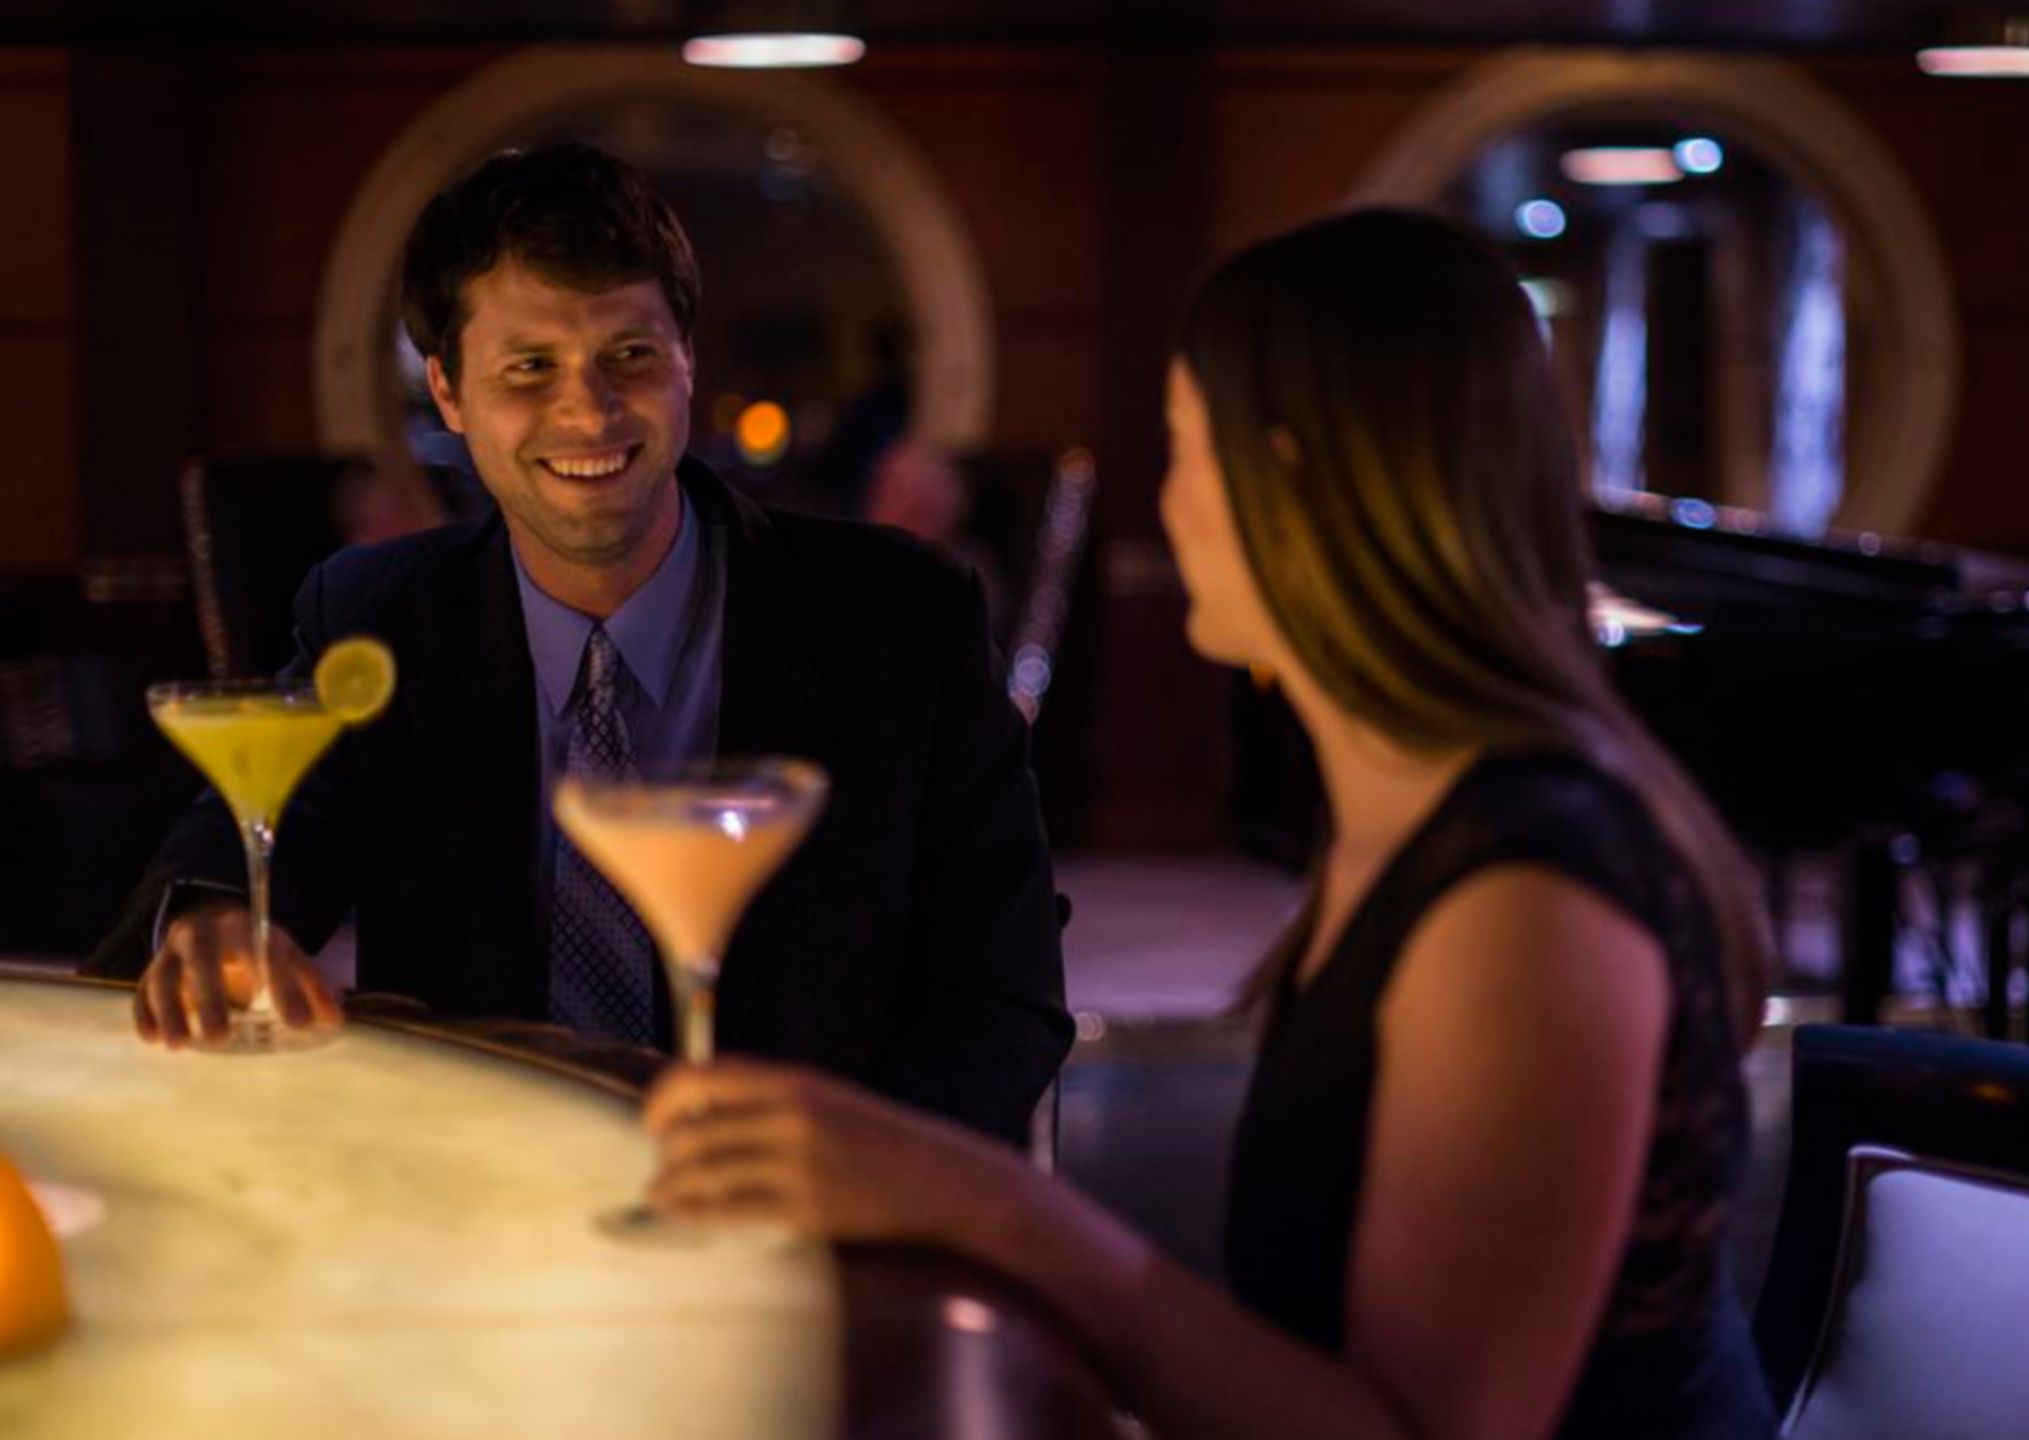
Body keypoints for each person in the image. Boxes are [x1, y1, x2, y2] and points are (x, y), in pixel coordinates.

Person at [638, 209, 1780, 1439]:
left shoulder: (1530, 903)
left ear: (1284, 481)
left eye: (1182, 449)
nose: (1168, 506)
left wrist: (992, 1207)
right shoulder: (1416, 821)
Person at [86, 143, 1070, 1145]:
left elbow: (1005, 998)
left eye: (630, 356)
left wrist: (841, 1176)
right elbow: (249, 830)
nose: (588, 409)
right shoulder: (379, 618)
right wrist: (211, 925)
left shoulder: (900, 617)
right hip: (481, 1213)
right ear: (450, 390)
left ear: (688, 358)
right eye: (528, 368)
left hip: (817, 1217)